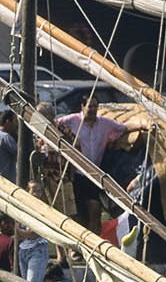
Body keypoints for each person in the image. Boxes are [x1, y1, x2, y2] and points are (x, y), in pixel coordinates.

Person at [55, 95, 129, 231]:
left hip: (94, 175)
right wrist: (68, 139)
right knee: (77, 214)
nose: (93, 109)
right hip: (76, 174)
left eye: (95, 106)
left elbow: (123, 128)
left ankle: (94, 240)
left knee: (95, 210)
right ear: (82, 107)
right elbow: (54, 125)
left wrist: (144, 125)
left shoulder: (104, 123)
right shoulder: (71, 120)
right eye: (90, 106)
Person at [15, 178, 51, 282]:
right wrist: (23, 233)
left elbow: (35, 234)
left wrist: (20, 232)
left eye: (39, 191)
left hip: (38, 249)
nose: (36, 194)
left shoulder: (43, 210)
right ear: (28, 191)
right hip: (23, 250)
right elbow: (16, 231)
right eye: (34, 190)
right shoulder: (21, 209)